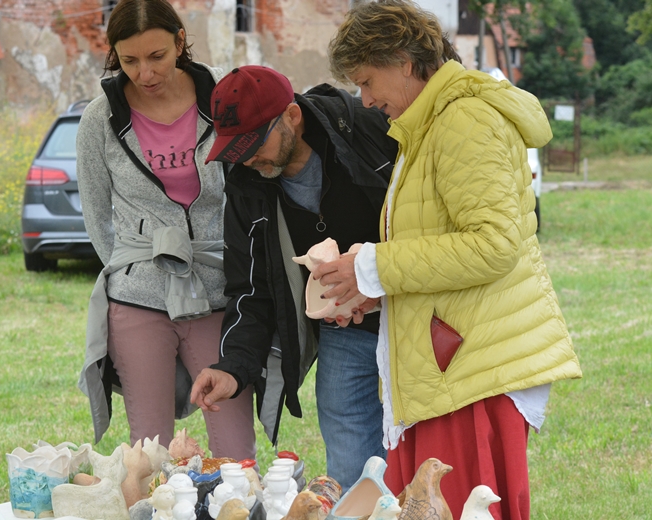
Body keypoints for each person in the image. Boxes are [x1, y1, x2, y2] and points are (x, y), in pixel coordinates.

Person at [318, 1, 583, 518]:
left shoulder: (463, 119)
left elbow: (492, 245)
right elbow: (447, 247)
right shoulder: (432, 122)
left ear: (404, 61)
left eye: (368, 81)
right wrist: (371, 290)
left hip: (471, 369)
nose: (366, 100)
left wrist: (372, 267)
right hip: (452, 363)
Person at [189, 65, 399, 490]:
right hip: (344, 333)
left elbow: (427, 222)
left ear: (292, 116)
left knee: (421, 458)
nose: (246, 158)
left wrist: (377, 283)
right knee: (350, 469)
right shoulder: (246, 181)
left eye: (253, 143)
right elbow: (250, 289)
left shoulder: (367, 128)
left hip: (413, 316)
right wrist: (233, 367)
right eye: (235, 148)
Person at [75, 0, 255, 461]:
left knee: (234, 447)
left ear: (179, 42)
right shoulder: (100, 118)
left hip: (218, 287)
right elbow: (96, 213)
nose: (145, 72)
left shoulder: (222, 95)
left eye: (156, 56)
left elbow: (255, 184)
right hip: (138, 298)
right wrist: (130, 269)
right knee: (150, 452)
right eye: (129, 60)